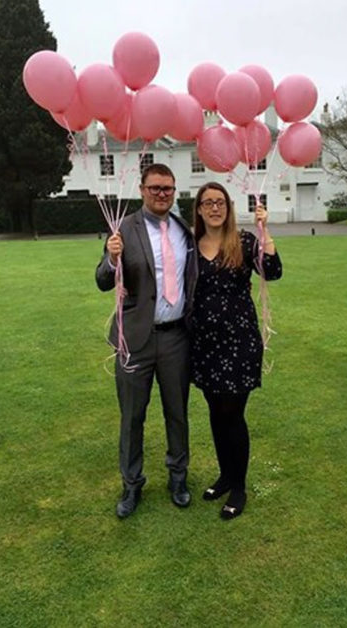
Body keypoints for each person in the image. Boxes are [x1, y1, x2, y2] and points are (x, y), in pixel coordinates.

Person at [96, 163, 198, 519]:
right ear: (142, 190)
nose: (162, 194)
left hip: (176, 340)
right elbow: (102, 280)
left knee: (177, 414)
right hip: (135, 340)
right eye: (155, 188)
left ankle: (178, 478)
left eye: (168, 188)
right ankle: (131, 484)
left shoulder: (185, 230)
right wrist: (111, 259)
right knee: (132, 417)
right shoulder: (123, 227)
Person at [191, 182, 282, 520]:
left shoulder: (243, 242)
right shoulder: (191, 247)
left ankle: (239, 485)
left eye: (220, 202)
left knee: (233, 414)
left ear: (228, 208)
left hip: (239, 343)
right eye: (207, 203)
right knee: (216, 413)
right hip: (205, 345)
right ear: (199, 209)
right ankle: (225, 475)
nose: (214, 208)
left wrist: (265, 230)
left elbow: (272, 271)